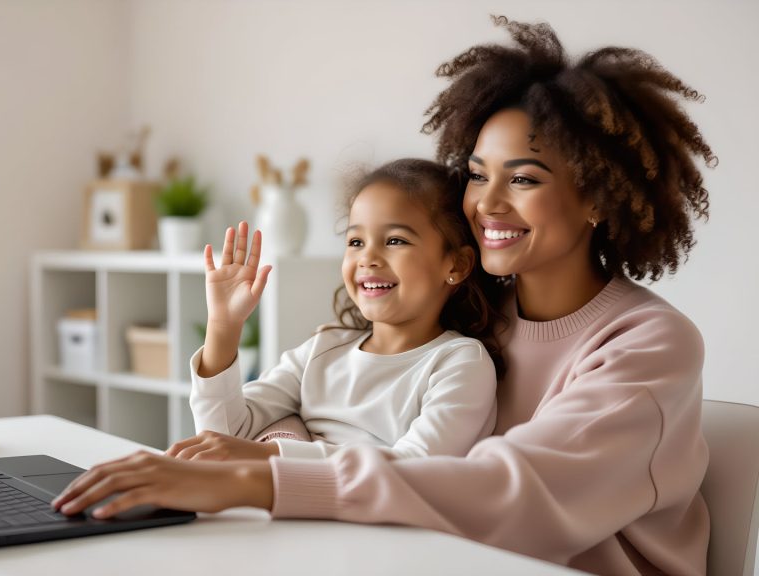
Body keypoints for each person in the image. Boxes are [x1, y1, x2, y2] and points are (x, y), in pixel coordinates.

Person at [52, 16, 715, 575]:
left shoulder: (649, 344)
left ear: (597, 195)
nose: (486, 202)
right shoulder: (473, 321)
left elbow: (513, 492)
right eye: (478, 175)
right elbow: (329, 424)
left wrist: (257, 471)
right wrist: (268, 436)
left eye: (525, 178)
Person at [173, 159, 500, 463]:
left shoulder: (459, 362)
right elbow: (225, 435)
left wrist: (276, 455)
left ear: (456, 264)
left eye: (396, 241)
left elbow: (412, 469)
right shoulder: (323, 349)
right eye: (356, 242)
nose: (367, 258)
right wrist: (224, 326)